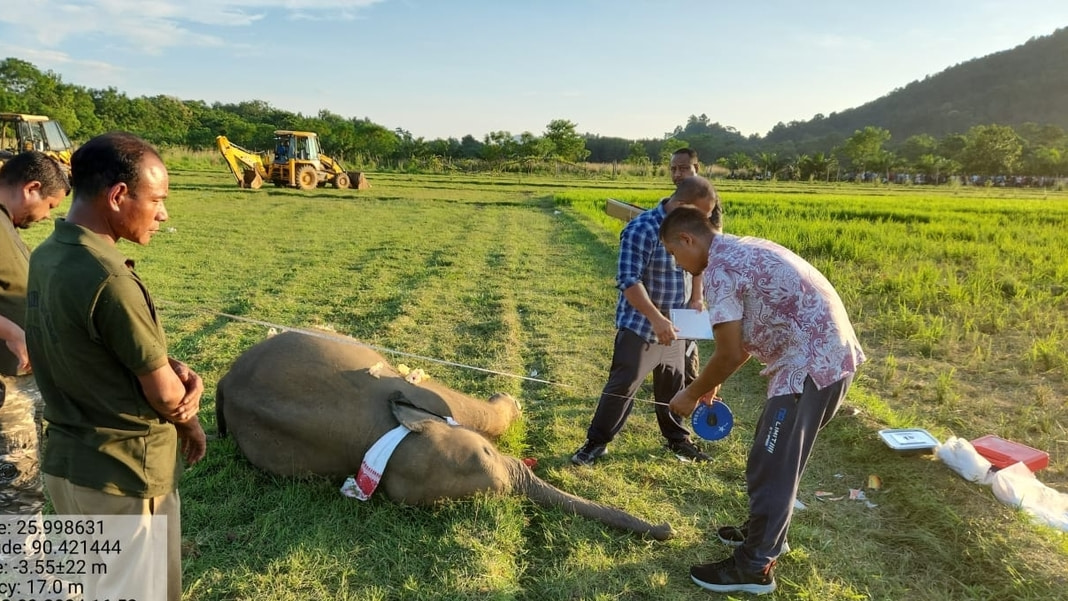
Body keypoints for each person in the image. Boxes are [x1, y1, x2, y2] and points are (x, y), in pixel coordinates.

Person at [25, 132, 207, 601]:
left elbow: (82, 340)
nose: (163, 214)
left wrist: (162, 359)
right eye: (158, 200)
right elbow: (167, 396)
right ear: (118, 195)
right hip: (122, 476)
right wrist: (190, 413)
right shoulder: (110, 278)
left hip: (69, 466)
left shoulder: (49, 253)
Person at [660, 182, 866, 595]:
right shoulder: (739, 246)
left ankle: (756, 568)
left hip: (811, 364)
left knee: (771, 462)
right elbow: (754, 330)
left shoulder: (718, 270)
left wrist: (687, 393)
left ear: (687, 238)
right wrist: (709, 387)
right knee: (775, 457)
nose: (679, 265)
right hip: (825, 355)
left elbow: (730, 352)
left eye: (674, 254)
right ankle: (765, 535)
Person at [571, 176, 720, 466]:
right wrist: (656, 319)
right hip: (641, 326)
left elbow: (699, 264)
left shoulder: (690, 231)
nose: (704, 224)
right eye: (701, 215)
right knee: (622, 386)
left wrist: (696, 298)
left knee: (673, 385)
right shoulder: (641, 228)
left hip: (678, 324)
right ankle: (596, 443)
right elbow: (628, 280)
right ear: (683, 204)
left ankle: (678, 440)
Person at [0, 151, 70, 516]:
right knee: (17, 493)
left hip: (18, 382)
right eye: (49, 205)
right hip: (5, 388)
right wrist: (12, 331)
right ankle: (23, 574)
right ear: (32, 188)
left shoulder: (5, 224)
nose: (45, 216)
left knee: (24, 487)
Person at [666, 148, 705, 386]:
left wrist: (697, 295)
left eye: (683, 168)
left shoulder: (705, 204)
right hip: (671, 283)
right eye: (673, 169)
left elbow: (705, 254)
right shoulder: (674, 202)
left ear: (696, 169)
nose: (677, 174)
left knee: (689, 346)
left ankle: (692, 391)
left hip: (691, 286)